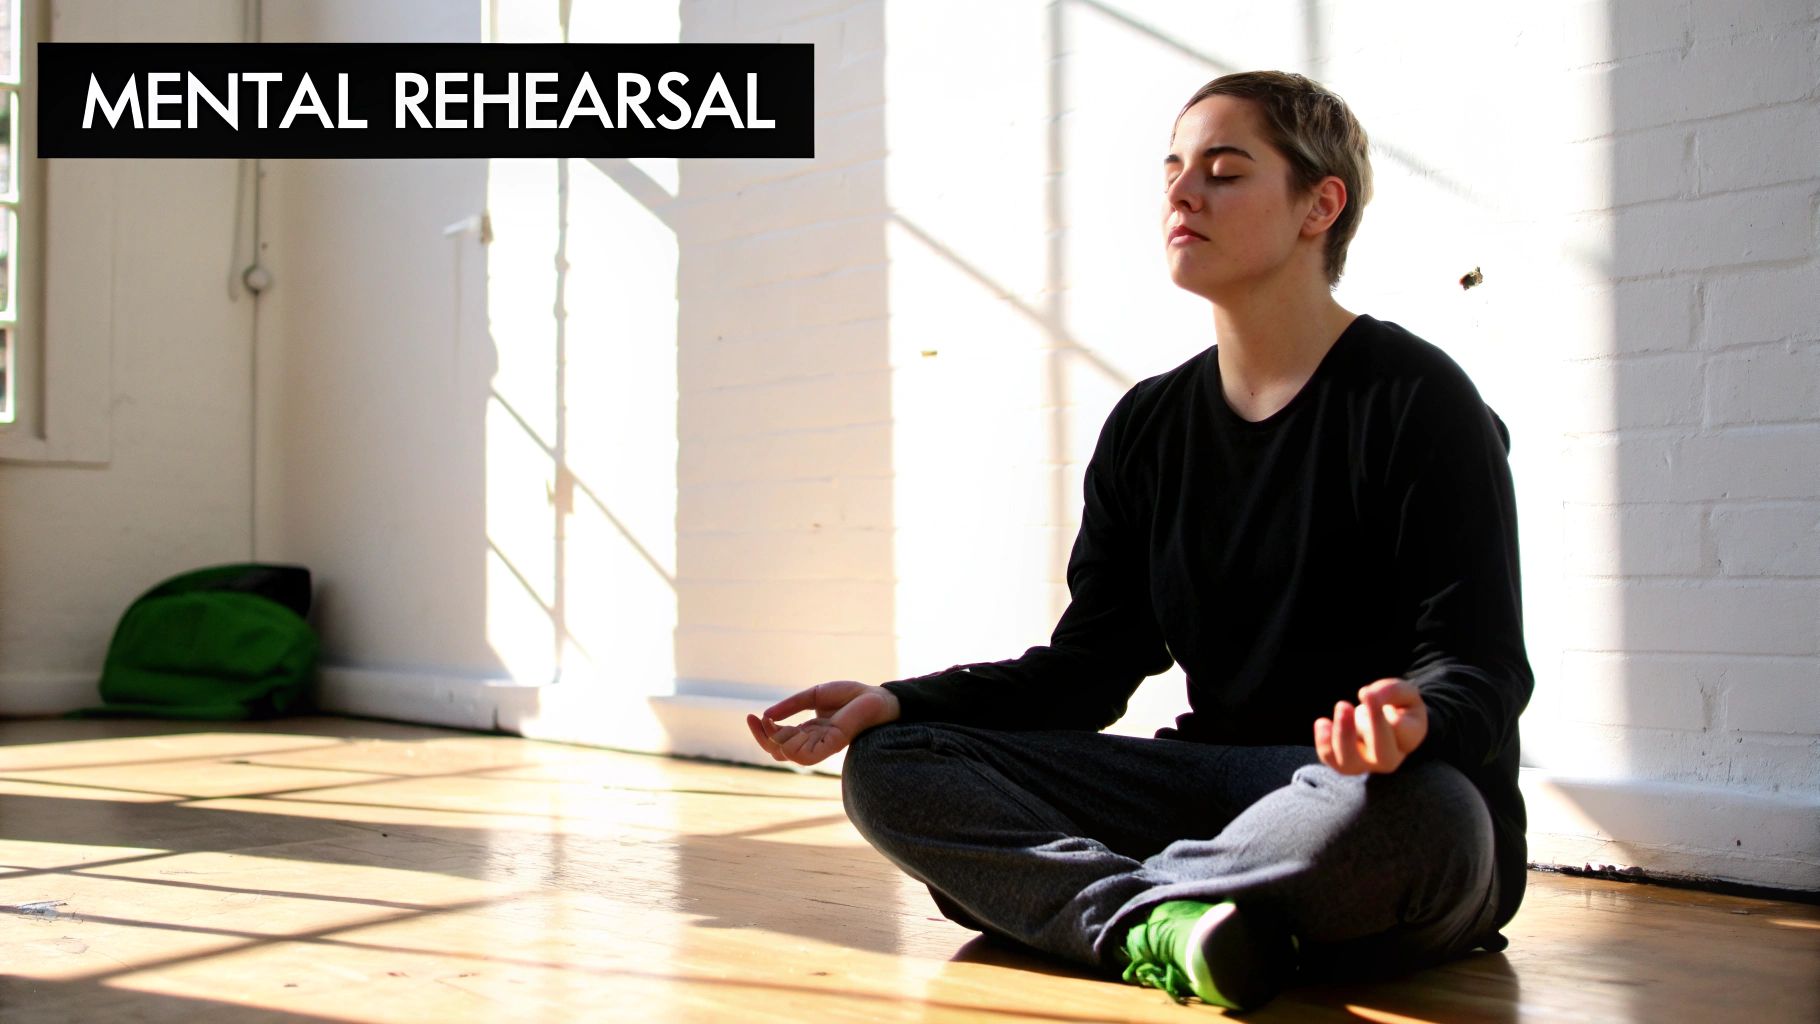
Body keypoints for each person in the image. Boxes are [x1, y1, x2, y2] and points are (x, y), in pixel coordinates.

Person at [746, 70, 1532, 1012]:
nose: (1181, 193)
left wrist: (1412, 722)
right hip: (1211, 786)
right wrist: (898, 701)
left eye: (1225, 171)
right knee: (896, 767)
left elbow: (1481, 668)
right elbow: (1088, 671)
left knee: (1427, 817)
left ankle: (1110, 906)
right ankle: (1182, 926)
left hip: (1365, 796)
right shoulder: (1149, 426)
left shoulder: (1419, 400)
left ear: (1320, 205)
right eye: (1174, 169)